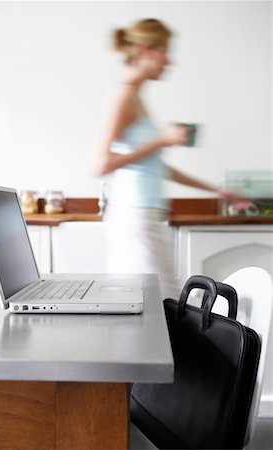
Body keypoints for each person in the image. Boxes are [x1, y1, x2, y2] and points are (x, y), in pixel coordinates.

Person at [94, 18, 248, 299]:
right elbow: (100, 164)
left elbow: (154, 167)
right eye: (164, 51)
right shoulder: (123, 97)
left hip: (144, 216)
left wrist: (217, 190)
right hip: (134, 217)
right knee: (161, 307)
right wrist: (160, 140)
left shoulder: (137, 99)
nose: (169, 60)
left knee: (160, 306)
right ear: (144, 50)